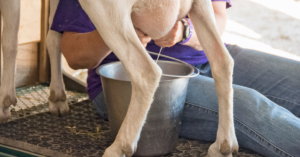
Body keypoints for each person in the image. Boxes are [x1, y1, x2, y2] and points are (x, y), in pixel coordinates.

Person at [51, 0, 300, 156]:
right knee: (253, 108)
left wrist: (183, 31)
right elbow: (75, 55)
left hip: (206, 55)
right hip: (123, 83)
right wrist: (121, 33)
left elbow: (217, 16)